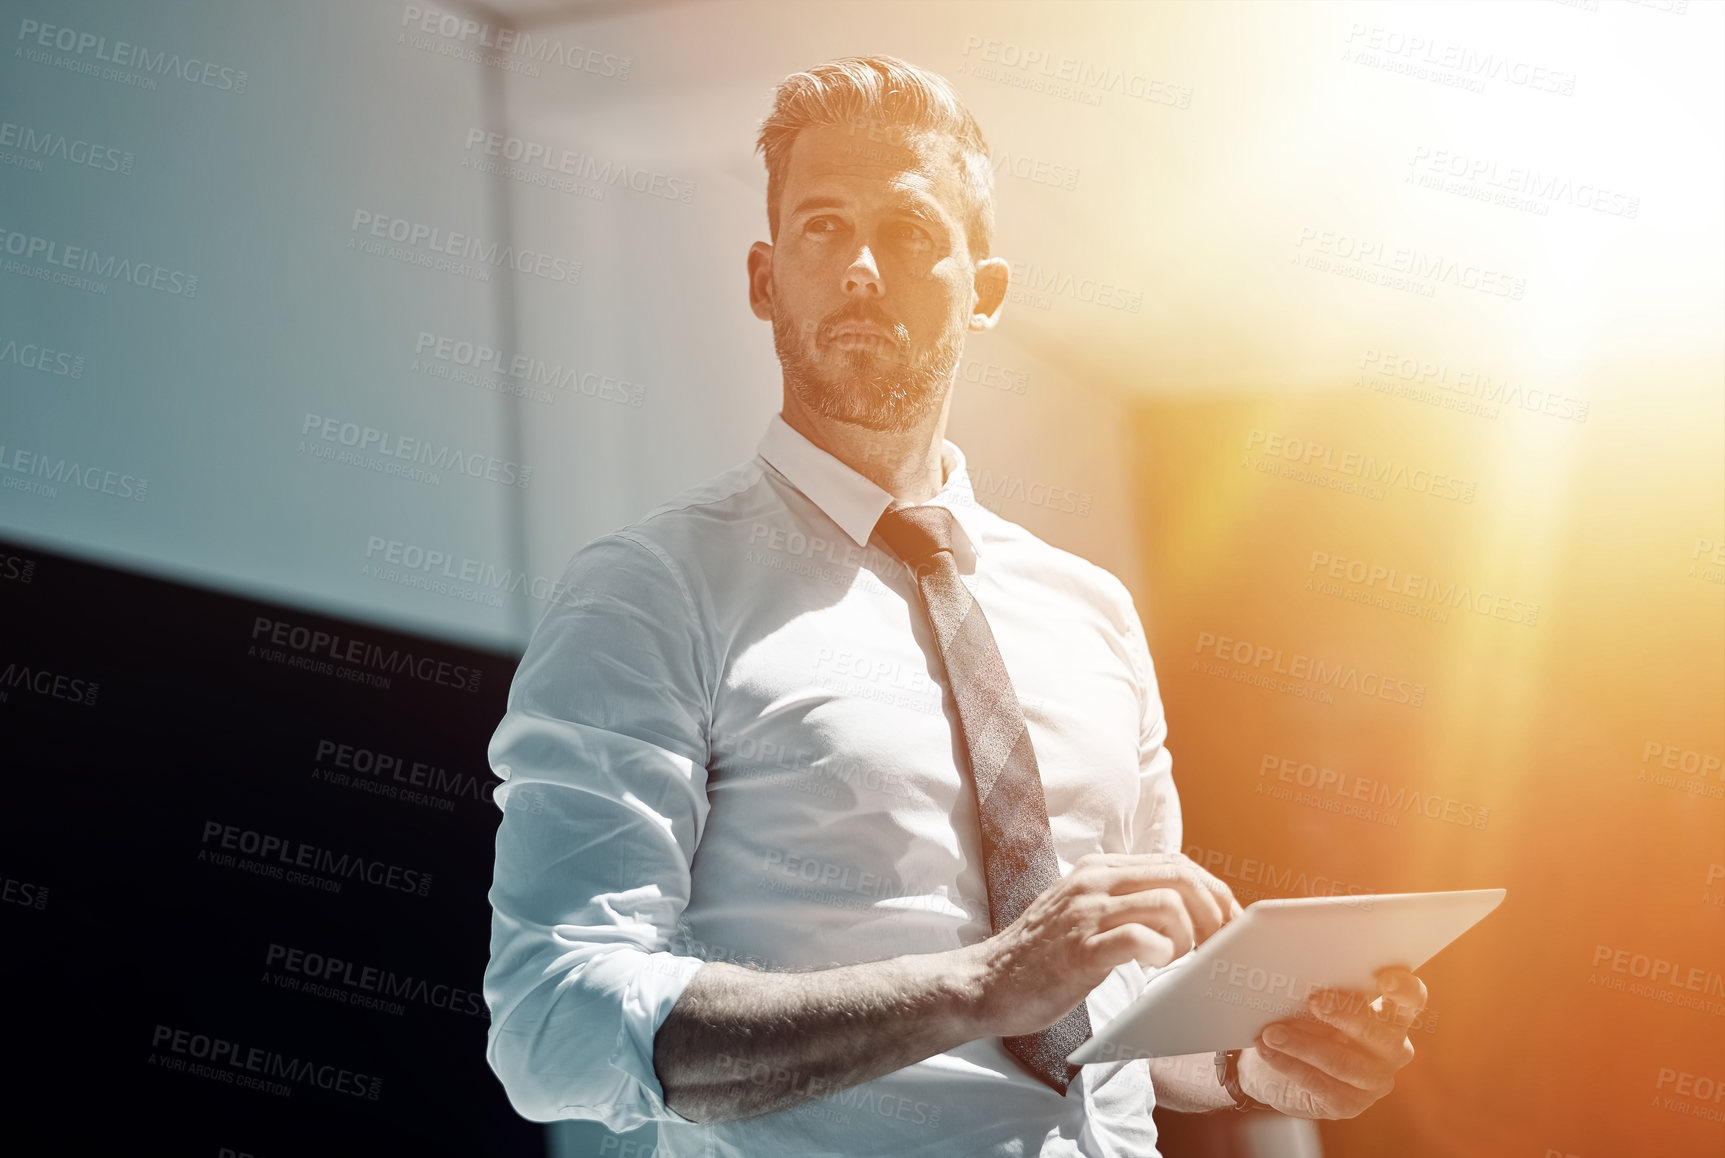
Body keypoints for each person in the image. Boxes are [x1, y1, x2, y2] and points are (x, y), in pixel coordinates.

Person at [482, 54, 1426, 1157]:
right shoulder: (650, 593)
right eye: (821, 228)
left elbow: (1112, 1014)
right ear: (762, 278)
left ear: (985, 291)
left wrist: (1248, 1063)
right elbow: (554, 1028)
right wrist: (982, 986)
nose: (862, 267)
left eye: (912, 230)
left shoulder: (1093, 616)